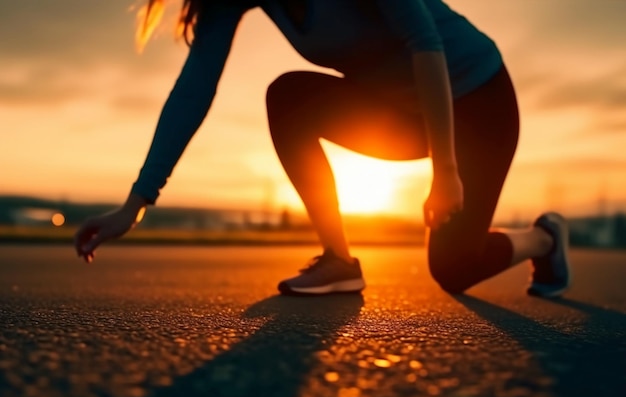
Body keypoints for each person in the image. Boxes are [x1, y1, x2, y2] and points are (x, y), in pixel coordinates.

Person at [74, 0, 571, 298]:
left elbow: (426, 42)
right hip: (399, 115)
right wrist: (134, 205)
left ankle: (545, 238)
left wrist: (446, 170)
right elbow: (194, 89)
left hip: (477, 102)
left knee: (453, 268)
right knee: (289, 98)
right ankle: (339, 261)